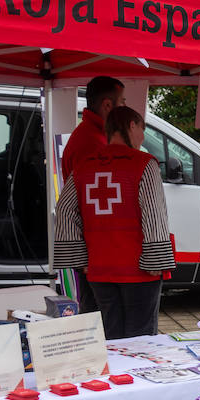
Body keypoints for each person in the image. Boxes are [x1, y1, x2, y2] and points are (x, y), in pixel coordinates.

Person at [54, 106, 175, 339]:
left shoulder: (84, 165)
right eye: (142, 129)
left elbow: (65, 209)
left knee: (110, 337)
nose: (142, 137)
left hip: (99, 270)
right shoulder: (144, 163)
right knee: (141, 339)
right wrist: (156, 261)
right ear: (131, 125)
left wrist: (80, 260)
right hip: (138, 270)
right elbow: (154, 215)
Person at [61, 76, 125, 314]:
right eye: (123, 102)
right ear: (108, 105)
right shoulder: (92, 143)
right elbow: (89, 203)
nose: (124, 107)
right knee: (100, 313)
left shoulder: (92, 135)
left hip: (95, 246)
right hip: (95, 247)